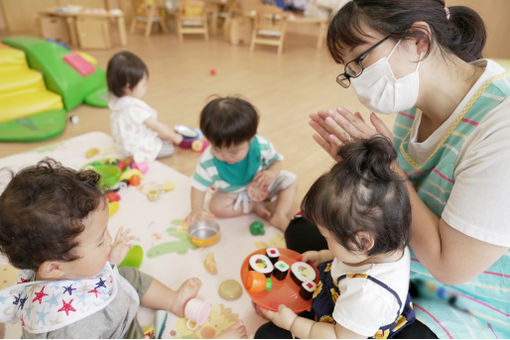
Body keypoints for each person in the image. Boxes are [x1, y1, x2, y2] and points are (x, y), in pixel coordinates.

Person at [291, 0, 510, 338]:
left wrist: (388, 171)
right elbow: (399, 204)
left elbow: (450, 267)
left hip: (458, 297)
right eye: (349, 69)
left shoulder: (501, 126)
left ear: (419, 40)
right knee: (306, 227)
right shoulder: (413, 102)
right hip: (398, 255)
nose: (356, 78)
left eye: (360, 60)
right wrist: (363, 171)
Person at [0, 159, 247, 338]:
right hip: (115, 332)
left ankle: (173, 300)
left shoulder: (66, 267)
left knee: (129, 276)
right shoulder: (72, 328)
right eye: (99, 242)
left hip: (103, 301)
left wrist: (111, 260)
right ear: (54, 268)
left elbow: (90, 272)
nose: (108, 240)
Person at [255, 136, 416, 338]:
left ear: (363, 241)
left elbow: (338, 337)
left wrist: (293, 323)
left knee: (266, 335)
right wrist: (323, 255)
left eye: (327, 237)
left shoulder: (368, 295)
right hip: (343, 289)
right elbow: (348, 257)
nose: (325, 240)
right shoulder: (382, 244)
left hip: (345, 330)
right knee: (299, 229)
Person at [185, 96, 298, 231]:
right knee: (215, 207)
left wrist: (271, 172)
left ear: (250, 139)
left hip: (263, 186)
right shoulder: (208, 161)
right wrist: (196, 208)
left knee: (291, 181)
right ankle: (253, 206)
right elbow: (198, 186)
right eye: (217, 149)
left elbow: (277, 161)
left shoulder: (262, 146)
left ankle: (280, 214)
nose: (225, 156)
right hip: (235, 194)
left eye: (234, 152)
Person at [107, 51, 183, 163]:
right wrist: (173, 136)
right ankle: (139, 157)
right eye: (143, 84)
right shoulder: (134, 108)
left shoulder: (118, 102)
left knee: (162, 135)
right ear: (128, 87)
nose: (146, 87)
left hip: (123, 149)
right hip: (137, 150)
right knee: (169, 148)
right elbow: (155, 126)